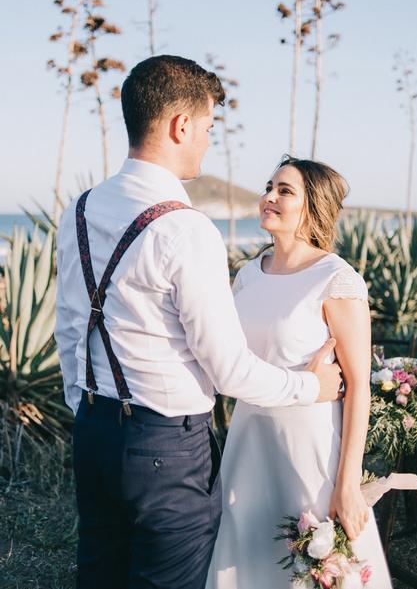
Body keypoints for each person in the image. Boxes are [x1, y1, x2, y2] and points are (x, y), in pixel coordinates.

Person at [55, 55, 343, 589]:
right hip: (166, 449)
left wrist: (88, 412)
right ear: (180, 126)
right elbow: (229, 370)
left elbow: (70, 331)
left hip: (93, 431)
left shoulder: (80, 208)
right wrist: (312, 385)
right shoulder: (186, 228)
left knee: (99, 572)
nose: (208, 141)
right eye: (209, 127)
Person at [206, 156, 393, 589]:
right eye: (269, 186)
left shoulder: (337, 279)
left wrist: (347, 483)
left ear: (312, 206)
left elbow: (358, 388)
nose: (269, 197)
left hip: (309, 452)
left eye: (285, 191)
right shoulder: (247, 275)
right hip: (249, 444)